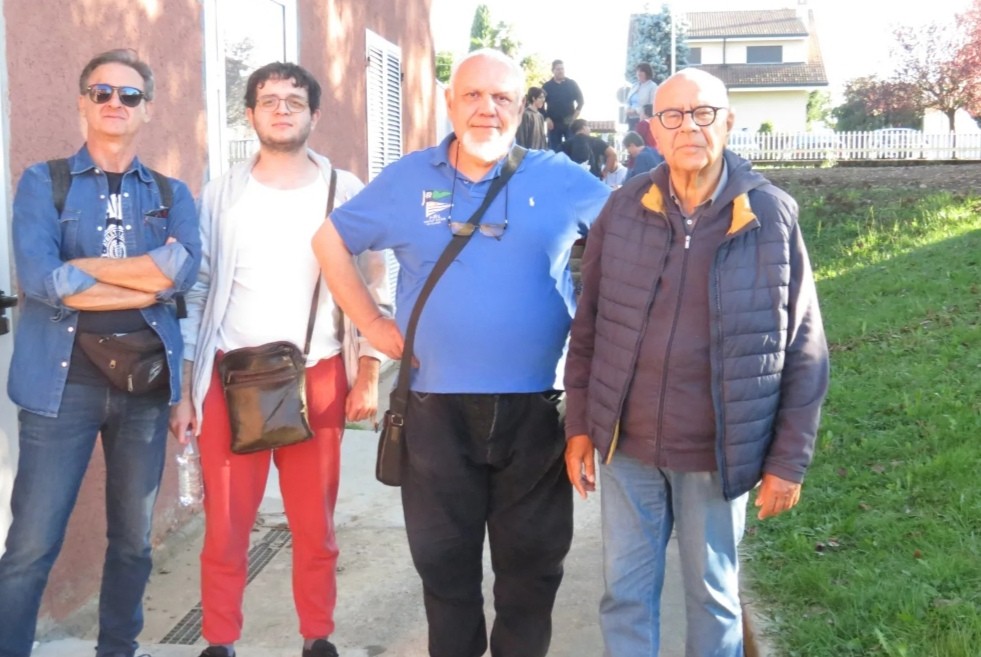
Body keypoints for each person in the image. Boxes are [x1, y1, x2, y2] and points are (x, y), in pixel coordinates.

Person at [312, 49, 611, 657]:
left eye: (502, 97)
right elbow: (329, 240)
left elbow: (635, 238)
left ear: (522, 108)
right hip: (433, 409)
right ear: (450, 104)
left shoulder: (559, 176)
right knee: (445, 572)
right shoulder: (408, 178)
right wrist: (371, 320)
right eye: (473, 95)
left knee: (531, 573)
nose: (487, 109)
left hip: (537, 409)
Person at [564, 67, 829, 656]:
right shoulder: (623, 209)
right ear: (653, 130)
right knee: (624, 595)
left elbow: (805, 347)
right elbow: (589, 328)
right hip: (626, 450)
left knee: (714, 596)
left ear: (727, 122)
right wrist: (579, 425)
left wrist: (789, 458)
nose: (690, 126)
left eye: (704, 112)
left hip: (717, 450)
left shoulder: (771, 216)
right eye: (673, 115)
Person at [170, 62, 389, 657]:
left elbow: (373, 275)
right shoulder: (221, 192)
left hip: (316, 374)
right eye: (269, 99)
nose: (282, 108)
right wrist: (186, 389)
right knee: (225, 527)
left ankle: (317, 636)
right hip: (230, 375)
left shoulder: (340, 189)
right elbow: (197, 286)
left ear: (314, 115)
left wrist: (367, 367)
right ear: (250, 114)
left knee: (314, 526)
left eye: (295, 99)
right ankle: (220, 640)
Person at [0, 49, 201, 657]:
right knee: (32, 543)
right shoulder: (43, 181)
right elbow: (41, 279)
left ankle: (119, 649)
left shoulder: (171, 192)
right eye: (102, 91)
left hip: (142, 385)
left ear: (148, 109)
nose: (116, 103)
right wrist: (145, 276)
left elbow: (181, 274)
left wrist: (84, 269)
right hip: (60, 388)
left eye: (130, 95)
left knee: (134, 540)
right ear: (82, 101)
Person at [542, 59, 584, 151]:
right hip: (553, 124)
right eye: (558, 69)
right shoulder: (547, 86)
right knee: (554, 150)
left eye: (562, 69)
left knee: (572, 149)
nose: (561, 71)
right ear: (553, 71)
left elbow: (581, 101)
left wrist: (574, 117)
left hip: (569, 123)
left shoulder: (571, 84)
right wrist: (547, 118)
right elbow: (540, 104)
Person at [624, 62, 657, 131]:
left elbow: (651, 106)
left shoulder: (652, 86)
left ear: (647, 72)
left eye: (641, 71)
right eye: (637, 71)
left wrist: (636, 110)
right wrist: (627, 109)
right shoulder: (634, 86)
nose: (639, 73)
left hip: (643, 120)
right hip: (631, 119)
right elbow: (628, 101)